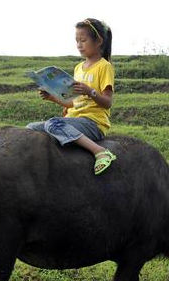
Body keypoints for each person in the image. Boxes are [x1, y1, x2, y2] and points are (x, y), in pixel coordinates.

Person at [27, 18, 116, 175]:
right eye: (77, 41)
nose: (79, 45)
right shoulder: (78, 68)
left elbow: (107, 103)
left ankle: (100, 151)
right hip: (75, 118)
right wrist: (51, 97)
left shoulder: (104, 66)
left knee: (52, 124)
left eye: (83, 40)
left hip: (93, 123)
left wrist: (90, 91)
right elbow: (74, 103)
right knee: (31, 128)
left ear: (98, 41)